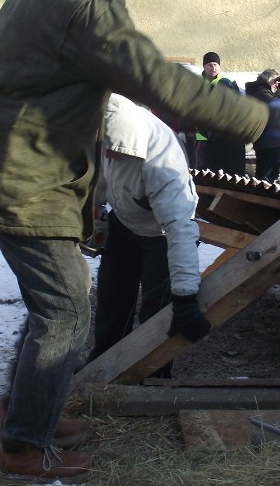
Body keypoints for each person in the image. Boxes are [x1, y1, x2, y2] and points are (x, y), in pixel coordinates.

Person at [0, 0, 280, 482]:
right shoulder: (84, 3)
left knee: (53, 309)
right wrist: (258, 119)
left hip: (10, 164)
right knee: (67, 313)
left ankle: (25, 417)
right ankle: (25, 446)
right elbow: (156, 77)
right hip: (22, 175)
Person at [85, 94, 210, 380]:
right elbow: (101, 182)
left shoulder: (162, 165)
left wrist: (185, 298)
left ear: (131, 144)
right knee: (112, 298)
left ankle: (154, 373)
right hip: (125, 221)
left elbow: (181, 230)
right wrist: (94, 213)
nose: (109, 155)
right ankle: (104, 365)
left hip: (161, 233)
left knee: (158, 310)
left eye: (115, 151)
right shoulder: (110, 134)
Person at [195, 51, 247, 175]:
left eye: (216, 64)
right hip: (203, 136)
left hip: (224, 134)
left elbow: (238, 105)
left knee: (226, 171)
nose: (213, 67)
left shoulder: (228, 82)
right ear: (204, 66)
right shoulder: (197, 83)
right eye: (210, 65)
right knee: (205, 171)